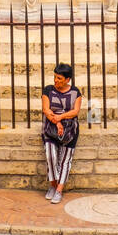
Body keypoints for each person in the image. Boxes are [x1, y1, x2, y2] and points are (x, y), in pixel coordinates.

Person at [39, 63, 82, 204]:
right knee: (50, 156)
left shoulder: (76, 92)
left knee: (65, 161)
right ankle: (52, 185)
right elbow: (46, 109)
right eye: (55, 77)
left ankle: (59, 190)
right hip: (51, 128)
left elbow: (75, 111)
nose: (56, 80)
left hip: (70, 130)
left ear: (67, 79)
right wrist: (56, 122)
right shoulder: (48, 90)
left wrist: (61, 118)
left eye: (59, 78)